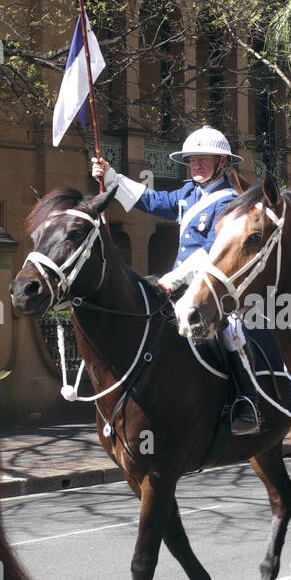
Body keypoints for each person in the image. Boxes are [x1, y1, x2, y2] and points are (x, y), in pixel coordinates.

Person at [92, 126, 263, 434]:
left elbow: (212, 252)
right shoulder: (188, 194)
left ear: (222, 163)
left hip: (211, 284)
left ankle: (245, 399)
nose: (196, 165)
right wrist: (112, 176)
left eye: (203, 160)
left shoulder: (229, 203)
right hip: (179, 285)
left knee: (231, 330)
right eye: (192, 160)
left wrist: (173, 278)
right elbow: (151, 200)